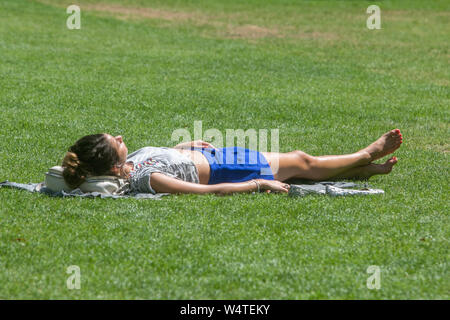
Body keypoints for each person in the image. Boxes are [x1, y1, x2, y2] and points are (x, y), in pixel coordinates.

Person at [61, 129, 402, 195]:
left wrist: (182, 146)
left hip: (218, 157)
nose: (120, 137)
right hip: (229, 169)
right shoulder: (144, 179)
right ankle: (365, 155)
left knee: (299, 166)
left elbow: (165, 158)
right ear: (112, 165)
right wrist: (257, 184)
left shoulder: (133, 161)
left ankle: (361, 169)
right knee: (302, 162)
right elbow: (206, 191)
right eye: (114, 142)